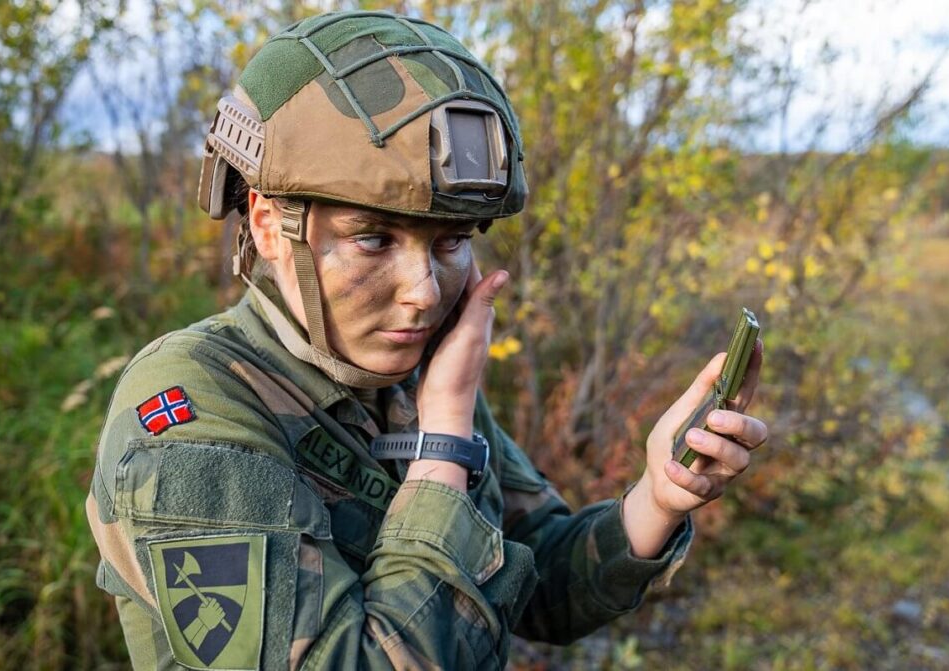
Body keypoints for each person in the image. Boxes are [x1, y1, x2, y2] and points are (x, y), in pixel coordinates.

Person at [86, 10, 768, 670]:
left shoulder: (412, 377)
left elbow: (539, 584)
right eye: (374, 238)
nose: (424, 290)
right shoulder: (189, 410)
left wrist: (659, 494)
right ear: (268, 224)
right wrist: (443, 443)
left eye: (450, 242)